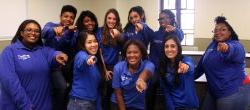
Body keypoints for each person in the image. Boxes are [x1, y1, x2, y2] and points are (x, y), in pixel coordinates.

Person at [0, 19, 68, 110]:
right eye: (29, 30)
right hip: (19, 106)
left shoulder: (43, 50)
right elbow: (9, 81)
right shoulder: (9, 51)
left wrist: (58, 55)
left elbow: (53, 54)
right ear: (21, 33)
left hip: (43, 106)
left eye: (37, 31)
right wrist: (25, 105)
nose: (33, 33)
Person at [195, 16, 250, 110]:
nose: (218, 32)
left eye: (223, 29)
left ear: (230, 32)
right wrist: (186, 76)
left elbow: (236, 51)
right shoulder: (212, 45)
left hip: (233, 91)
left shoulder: (236, 45)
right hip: (214, 90)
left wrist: (227, 48)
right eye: (215, 30)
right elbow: (201, 67)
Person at [41, 5, 77, 110]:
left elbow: (63, 45)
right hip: (52, 65)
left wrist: (69, 33)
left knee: (73, 85)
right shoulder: (51, 25)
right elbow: (43, 33)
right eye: (66, 16)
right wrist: (54, 30)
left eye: (71, 17)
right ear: (60, 16)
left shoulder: (73, 32)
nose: (69, 19)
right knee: (62, 87)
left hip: (66, 65)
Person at [147, 9, 184, 110]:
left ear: (171, 19)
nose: (162, 20)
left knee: (170, 85)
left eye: (166, 17)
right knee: (152, 82)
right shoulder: (155, 34)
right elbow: (152, 54)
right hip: (156, 68)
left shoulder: (176, 33)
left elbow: (181, 36)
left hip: (170, 68)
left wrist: (174, 29)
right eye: (160, 18)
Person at [111, 39, 155, 110]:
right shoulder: (118, 68)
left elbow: (147, 72)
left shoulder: (148, 64)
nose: (132, 55)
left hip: (137, 105)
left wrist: (141, 79)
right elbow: (118, 94)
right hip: (118, 103)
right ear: (125, 54)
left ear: (141, 54)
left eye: (135, 52)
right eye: (129, 52)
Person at [67, 30, 105, 110]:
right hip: (79, 103)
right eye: (89, 42)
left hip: (92, 103)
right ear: (83, 44)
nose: (93, 44)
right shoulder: (81, 55)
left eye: (95, 41)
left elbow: (96, 88)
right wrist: (88, 59)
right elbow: (83, 60)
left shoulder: (96, 63)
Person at [159, 35, 199, 110]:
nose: (169, 49)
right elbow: (166, 92)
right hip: (175, 106)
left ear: (178, 48)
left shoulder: (186, 60)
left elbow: (190, 65)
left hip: (190, 107)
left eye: (173, 46)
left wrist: (186, 66)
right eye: (166, 46)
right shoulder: (163, 67)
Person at [97, 8, 123, 110]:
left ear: (117, 20)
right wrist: (105, 70)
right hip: (103, 65)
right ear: (105, 19)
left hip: (115, 66)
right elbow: (100, 53)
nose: (111, 21)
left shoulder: (119, 33)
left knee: (113, 92)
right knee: (104, 92)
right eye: (109, 18)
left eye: (114, 19)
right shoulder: (99, 31)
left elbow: (122, 50)